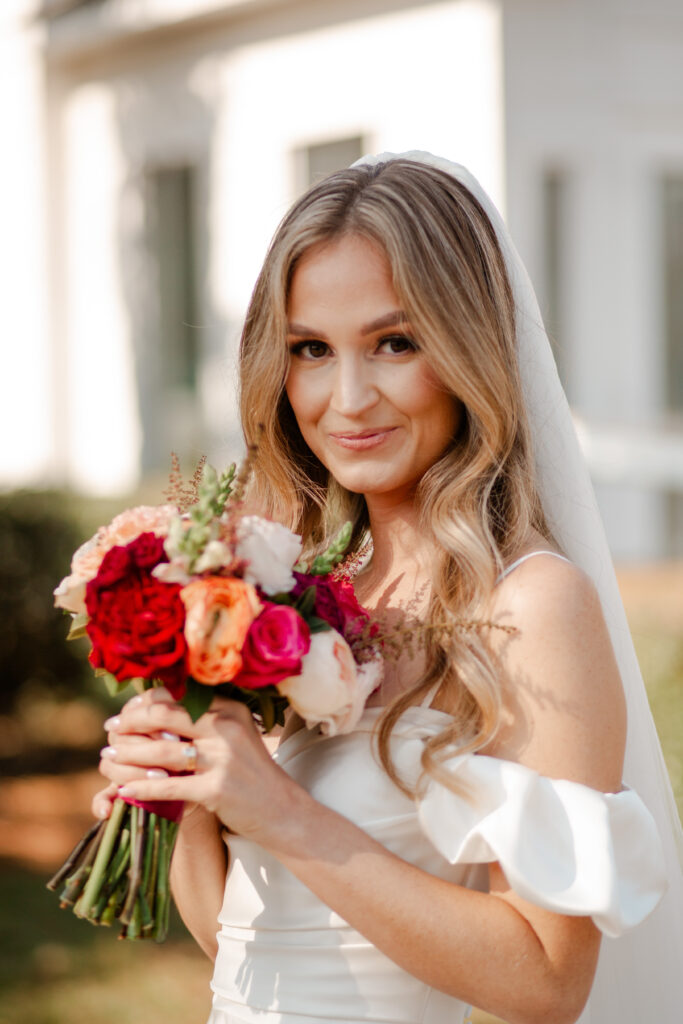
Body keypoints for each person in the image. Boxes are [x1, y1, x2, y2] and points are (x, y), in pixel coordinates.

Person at [93, 152, 682, 1024]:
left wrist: (281, 810)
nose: (348, 397)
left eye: (394, 343)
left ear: (469, 348)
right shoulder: (296, 591)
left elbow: (547, 982)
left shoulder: (529, 604)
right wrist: (186, 789)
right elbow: (252, 941)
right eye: (311, 351)